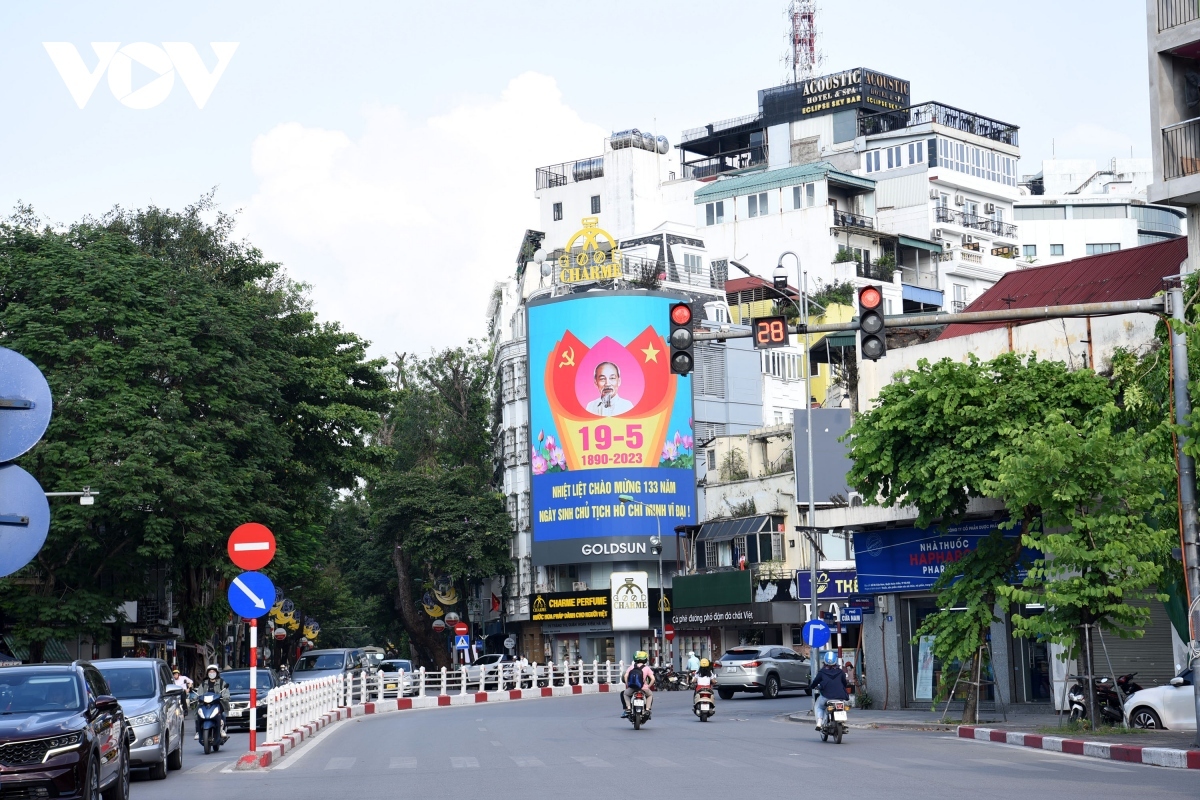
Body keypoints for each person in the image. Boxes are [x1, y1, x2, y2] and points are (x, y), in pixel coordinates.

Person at [810, 651, 850, 731]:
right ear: (836, 661)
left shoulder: (822, 672)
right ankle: (842, 723)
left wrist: (812, 686)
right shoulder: (840, 672)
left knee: (820, 707)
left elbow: (815, 682)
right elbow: (844, 683)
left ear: (825, 661)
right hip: (840, 696)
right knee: (842, 707)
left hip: (826, 696)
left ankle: (819, 722)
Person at [194, 664, 230, 740]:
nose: (212, 673)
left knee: (222, 714)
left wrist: (225, 696)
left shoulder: (221, 682)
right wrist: (195, 698)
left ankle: (222, 729)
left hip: (217, 703)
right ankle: (198, 731)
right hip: (205, 704)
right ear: (207, 673)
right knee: (197, 713)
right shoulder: (204, 683)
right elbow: (199, 693)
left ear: (217, 673)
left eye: (213, 671)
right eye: (210, 672)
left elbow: (225, 692)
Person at [620, 651, 655, 718]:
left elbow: (625, 676)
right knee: (650, 695)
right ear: (645, 659)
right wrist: (648, 686)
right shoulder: (647, 668)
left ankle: (628, 709)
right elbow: (653, 679)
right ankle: (647, 710)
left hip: (633, 687)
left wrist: (628, 685)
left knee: (625, 694)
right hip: (644, 688)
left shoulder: (631, 667)